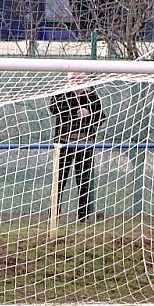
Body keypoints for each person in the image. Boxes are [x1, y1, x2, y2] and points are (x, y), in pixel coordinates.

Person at [49, 72, 106, 222]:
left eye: (80, 78)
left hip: (85, 143)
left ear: (85, 79)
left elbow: (101, 117)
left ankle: (84, 215)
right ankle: (54, 214)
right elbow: (54, 109)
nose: (77, 81)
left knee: (84, 180)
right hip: (64, 142)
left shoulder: (92, 96)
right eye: (73, 78)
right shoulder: (61, 94)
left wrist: (88, 113)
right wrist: (73, 100)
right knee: (59, 179)